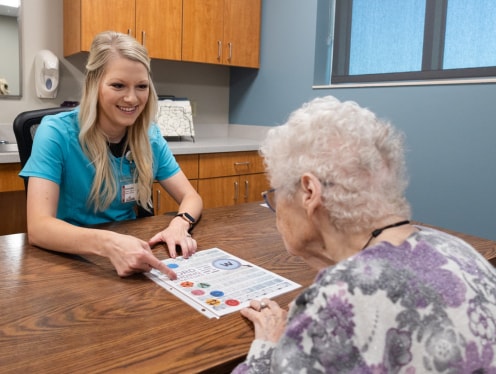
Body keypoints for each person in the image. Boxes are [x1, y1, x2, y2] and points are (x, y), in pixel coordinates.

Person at [233, 96, 496, 373]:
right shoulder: (457, 249)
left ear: (309, 192)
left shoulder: (339, 301)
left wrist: (268, 345)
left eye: (276, 192)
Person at [20, 31, 202, 278]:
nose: (131, 98)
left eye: (141, 87)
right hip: (70, 261)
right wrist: (108, 244)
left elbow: (191, 197)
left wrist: (180, 224)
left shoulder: (150, 136)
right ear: (94, 84)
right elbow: (39, 228)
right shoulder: (55, 133)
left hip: (131, 252)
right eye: (118, 85)